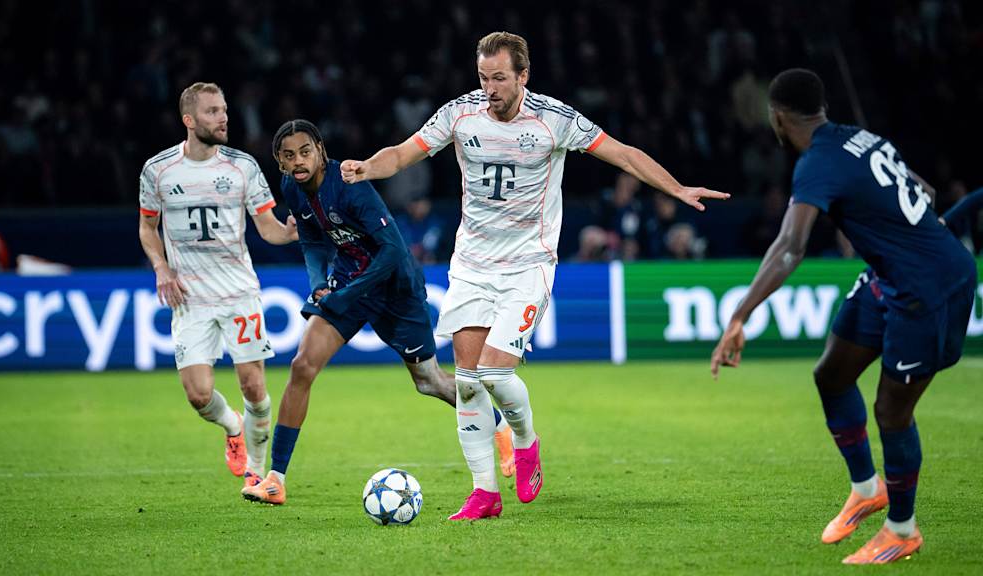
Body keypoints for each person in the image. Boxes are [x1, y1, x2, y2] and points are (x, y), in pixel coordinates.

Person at [342, 31, 728, 520]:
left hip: (528, 264)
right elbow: (403, 152)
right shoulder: (460, 113)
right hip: (473, 265)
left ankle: (525, 439)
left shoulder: (554, 120)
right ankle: (484, 494)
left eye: (500, 78)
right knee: (466, 382)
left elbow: (624, 154)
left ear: (523, 75)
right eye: (483, 77)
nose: (490, 88)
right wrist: (366, 168)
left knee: (495, 373)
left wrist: (676, 187)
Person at [710, 69, 977, 564]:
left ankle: (901, 530)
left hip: (929, 288)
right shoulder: (860, 137)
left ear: (777, 118)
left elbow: (791, 247)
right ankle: (866, 487)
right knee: (832, 374)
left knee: (892, 412)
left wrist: (739, 316)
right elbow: (927, 192)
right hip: (893, 276)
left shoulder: (816, 164)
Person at [241, 119, 514, 505]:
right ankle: (275, 479)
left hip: (395, 288)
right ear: (280, 163)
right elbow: (314, 240)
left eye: (305, 151)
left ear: (320, 150)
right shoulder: (292, 187)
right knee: (302, 366)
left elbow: (393, 251)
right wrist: (319, 282)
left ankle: (499, 425)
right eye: (288, 156)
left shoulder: (351, 188)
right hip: (350, 280)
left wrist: (347, 293)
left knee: (429, 382)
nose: (298, 161)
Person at [138, 82, 299, 493]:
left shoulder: (242, 167)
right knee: (197, 394)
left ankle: (258, 473)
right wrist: (160, 267)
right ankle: (232, 426)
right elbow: (147, 227)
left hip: (238, 292)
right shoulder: (158, 170)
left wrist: (290, 233)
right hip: (189, 297)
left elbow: (268, 229)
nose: (223, 117)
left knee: (253, 385)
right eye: (212, 111)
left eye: (224, 109)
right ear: (189, 121)